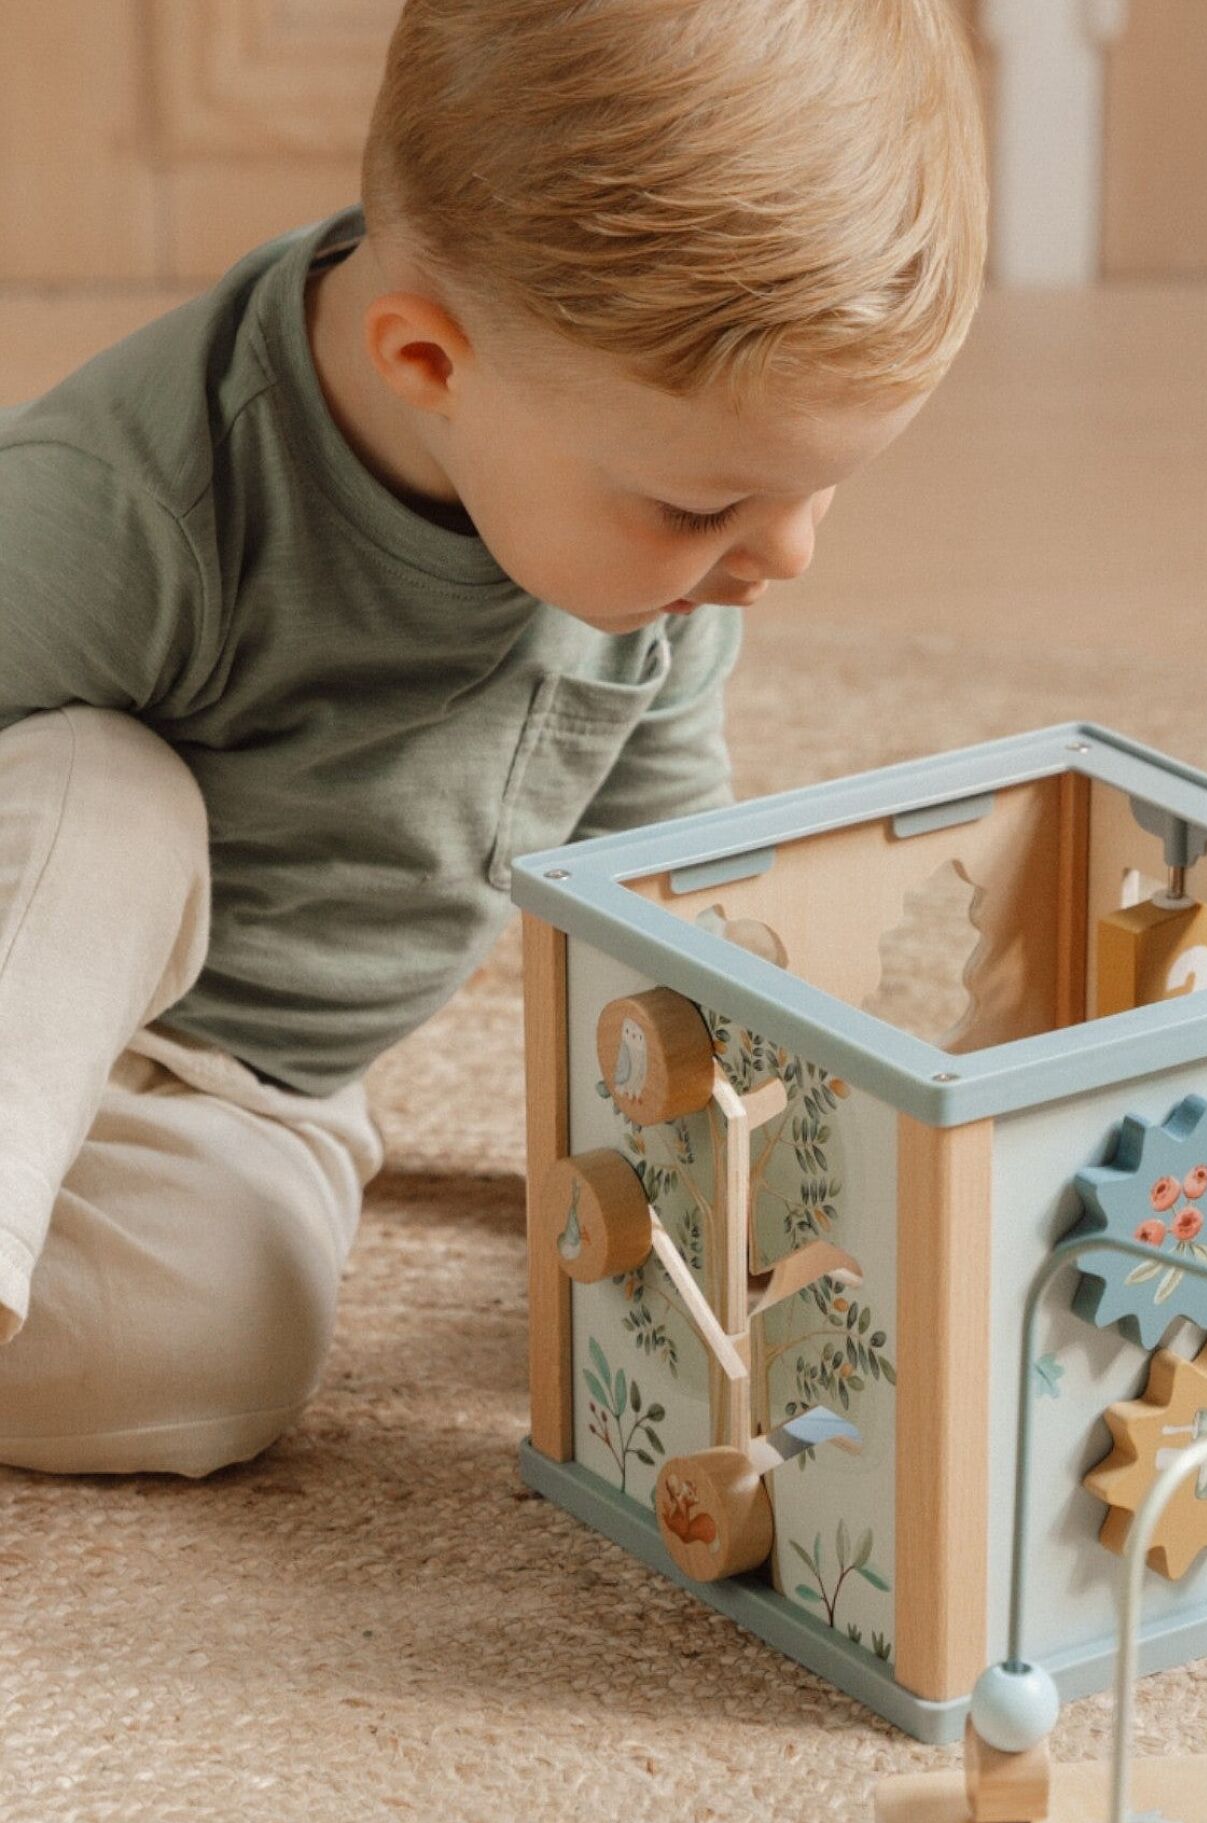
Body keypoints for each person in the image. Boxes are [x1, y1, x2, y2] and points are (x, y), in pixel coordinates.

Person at [0, 0, 986, 1474]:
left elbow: (663, 907)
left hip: (254, 1081)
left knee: (225, 1346)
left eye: (816, 489)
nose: (784, 557)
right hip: (43, 911)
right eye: (708, 503)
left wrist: (767, 1189)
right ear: (427, 362)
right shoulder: (128, 506)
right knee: (112, 802)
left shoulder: (667, 579)